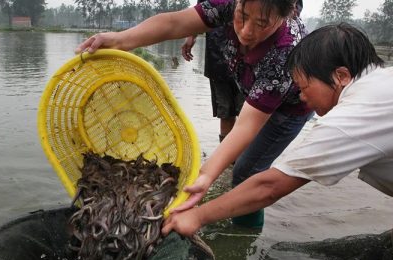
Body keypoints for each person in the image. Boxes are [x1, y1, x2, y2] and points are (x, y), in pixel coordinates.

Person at [77, 0, 312, 228]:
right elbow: (173, 23)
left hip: (291, 108)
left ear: (286, 15)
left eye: (262, 24)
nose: (247, 31)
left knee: (247, 171)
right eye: (243, 16)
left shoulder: (285, 51)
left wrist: (205, 176)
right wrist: (120, 40)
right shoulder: (229, 5)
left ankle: (244, 234)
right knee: (238, 159)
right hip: (252, 84)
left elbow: (247, 127)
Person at [161, 23, 392, 238]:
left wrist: (197, 216)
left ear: (341, 76)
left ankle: (244, 236)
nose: (301, 97)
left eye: (303, 87)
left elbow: (270, 187)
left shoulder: (352, 116)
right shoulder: (382, 82)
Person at [181, 0, 244, 144]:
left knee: (249, 112)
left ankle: (249, 162)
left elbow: (291, 8)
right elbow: (201, 11)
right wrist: (192, 35)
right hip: (218, 54)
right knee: (225, 111)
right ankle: (227, 162)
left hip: (250, 56)